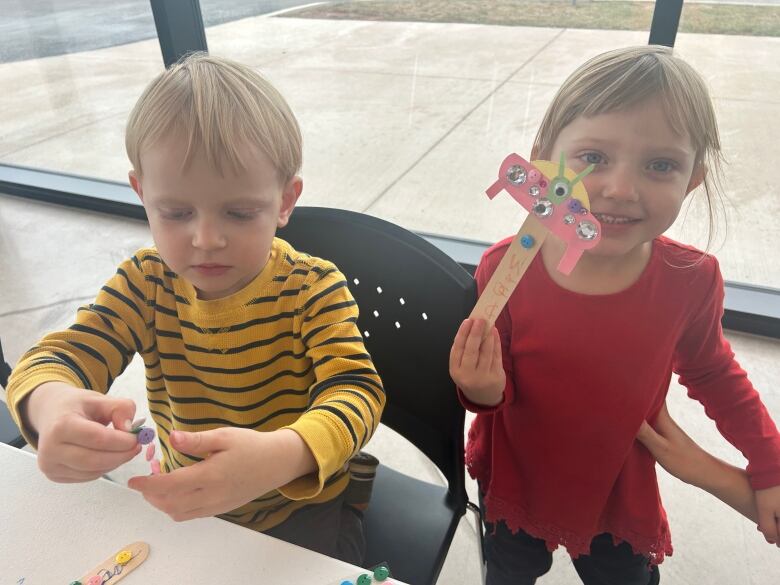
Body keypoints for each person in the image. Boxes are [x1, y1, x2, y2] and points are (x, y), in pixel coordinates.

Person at [5, 52, 384, 565]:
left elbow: (357, 391)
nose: (206, 240)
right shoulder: (145, 282)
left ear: (286, 200)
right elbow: (60, 357)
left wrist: (285, 455)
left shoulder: (312, 289)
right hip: (186, 501)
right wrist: (51, 407)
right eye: (176, 212)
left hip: (295, 508)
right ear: (141, 194)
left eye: (240, 212)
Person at [449, 45, 780, 584]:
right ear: (543, 161)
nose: (620, 189)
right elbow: (492, 390)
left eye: (660, 165)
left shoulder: (689, 281)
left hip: (617, 485)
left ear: (692, 177)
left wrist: (770, 463)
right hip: (517, 475)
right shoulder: (503, 269)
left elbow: (714, 373)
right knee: (509, 573)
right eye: (593, 158)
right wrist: (479, 388)